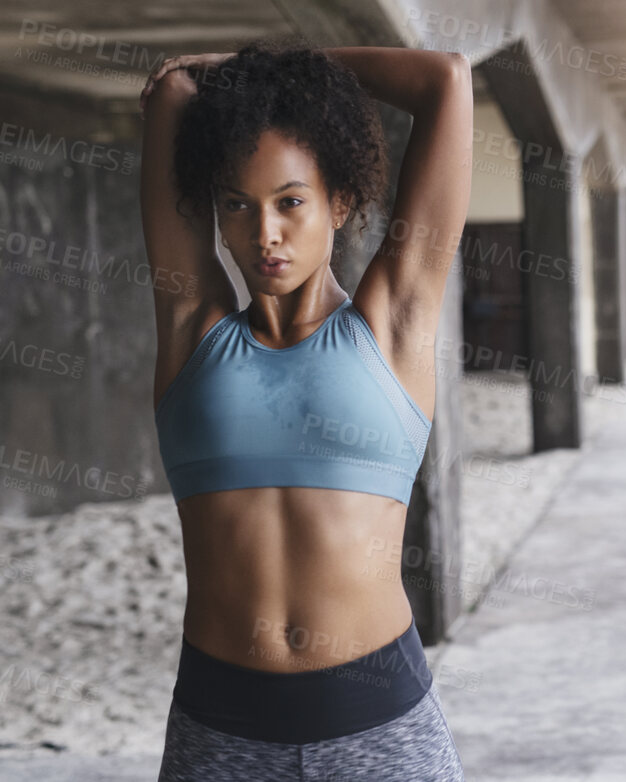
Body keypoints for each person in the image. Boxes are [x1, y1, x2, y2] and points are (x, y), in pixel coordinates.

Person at [141, 41, 471, 780]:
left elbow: (445, 80)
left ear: (341, 201)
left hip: (379, 732)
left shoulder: (396, 323)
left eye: (291, 201)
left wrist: (282, 72)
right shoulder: (189, 324)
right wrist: (231, 84)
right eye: (239, 204)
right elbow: (171, 94)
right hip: (219, 737)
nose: (265, 234)